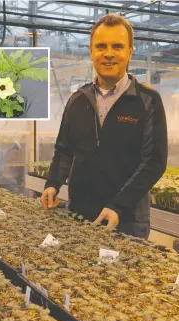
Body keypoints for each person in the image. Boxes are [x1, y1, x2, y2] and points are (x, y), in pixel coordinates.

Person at [41, 14, 167, 239]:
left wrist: (118, 205)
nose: (108, 53)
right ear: (91, 51)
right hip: (79, 215)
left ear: (129, 51)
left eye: (117, 46)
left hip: (126, 220)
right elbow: (64, 150)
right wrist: (53, 184)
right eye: (101, 46)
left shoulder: (147, 101)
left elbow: (154, 162)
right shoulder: (78, 99)